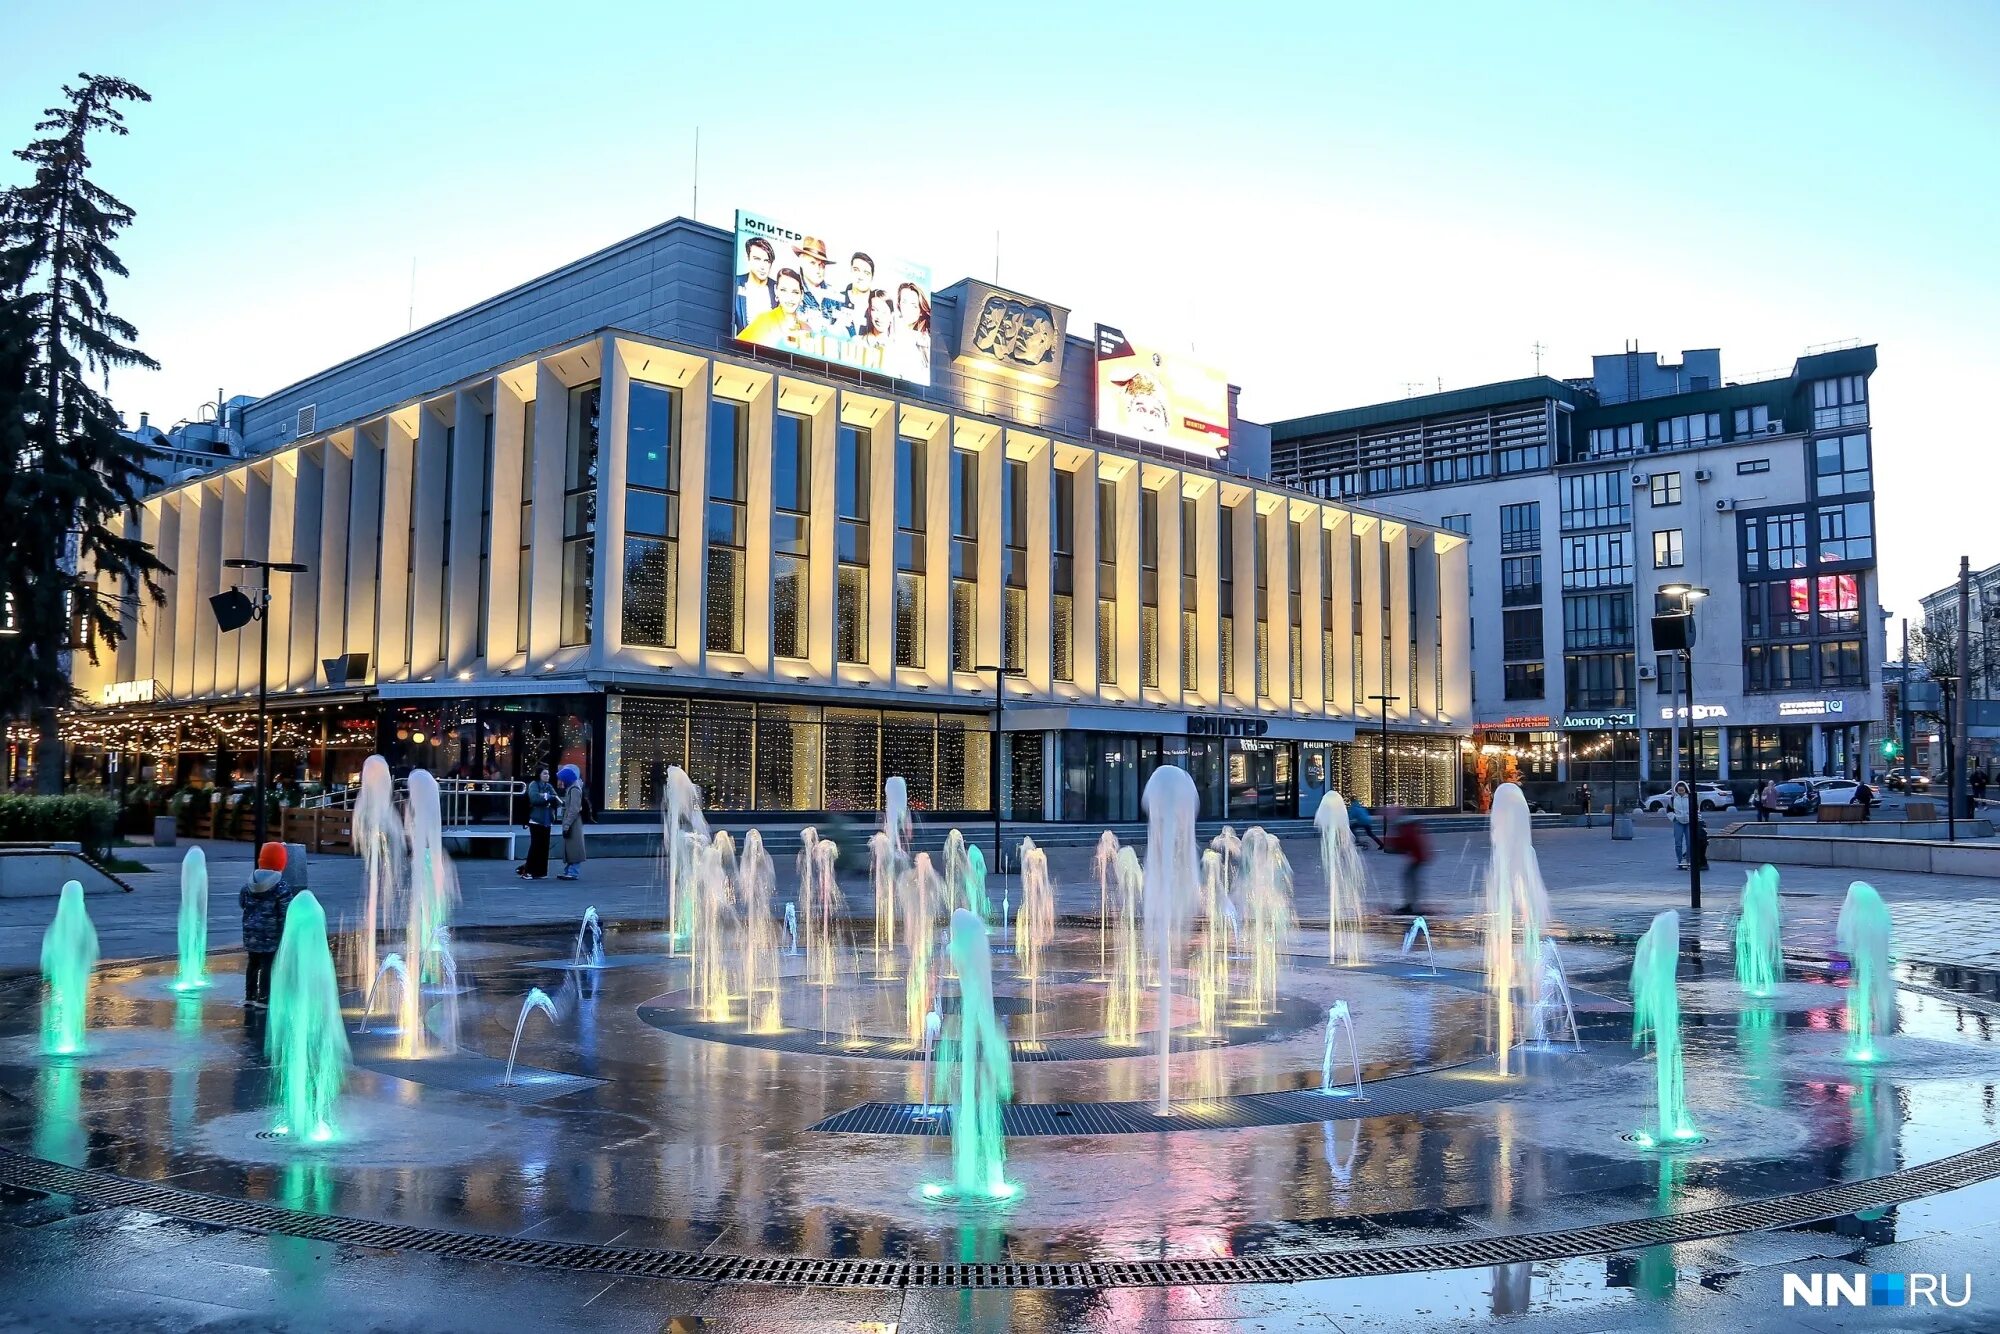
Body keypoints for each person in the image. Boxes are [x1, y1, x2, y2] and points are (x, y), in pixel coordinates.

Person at [239, 842, 294, 1009]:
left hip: (250, 932)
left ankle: (249, 996)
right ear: (281, 863)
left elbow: (242, 903)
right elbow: (286, 910)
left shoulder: (248, 884)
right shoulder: (281, 886)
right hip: (270, 934)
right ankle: (263, 998)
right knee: (267, 965)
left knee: (252, 963)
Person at [1382, 806, 1431, 913]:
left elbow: (1406, 842)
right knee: (1410, 877)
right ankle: (1411, 903)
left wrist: (1392, 843)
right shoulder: (1409, 826)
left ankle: (1411, 904)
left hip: (1418, 857)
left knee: (1410, 878)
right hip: (1419, 856)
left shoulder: (1406, 828)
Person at [732, 236, 777, 330]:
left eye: (767, 261)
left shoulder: (777, 288)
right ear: (748, 258)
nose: (762, 266)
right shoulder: (736, 283)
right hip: (742, 342)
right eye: (757, 259)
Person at [518, 766, 555, 880]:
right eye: (544, 774)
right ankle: (528, 871)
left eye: (548, 774)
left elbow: (556, 798)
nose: (547, 776)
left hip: (547, 820)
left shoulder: (548, 786)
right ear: (539, 775)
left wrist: (546, 797)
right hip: (535, 820)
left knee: (544, 846)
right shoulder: (533, 784)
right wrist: (546, 797)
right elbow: (534, 799)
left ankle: (541, 871)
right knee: (536, 846)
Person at [557, 764, 589, 881]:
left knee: (574, 847)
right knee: (571, 847)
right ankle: (569, 871)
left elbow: (574, 809)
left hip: (573, 823)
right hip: (572, 822)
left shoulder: (574, 789)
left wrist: (567, 824)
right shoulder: (573, 788)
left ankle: (573, 872)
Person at [1669, 780, 1693, 871]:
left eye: (1683, 790)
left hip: (1689, 822)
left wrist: (1692, 818)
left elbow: (1696, 809)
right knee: (1678, 843)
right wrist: (1674, 818)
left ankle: (1688, 861)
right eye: (1679, 790)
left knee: (1689, 843)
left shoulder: (1690, 798)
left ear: (1686, 790)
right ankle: (1679, 862)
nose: (1681, 792)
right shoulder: (1673, 799)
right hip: (1678, 822)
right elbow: (1669, 810)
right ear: (1677, 790)